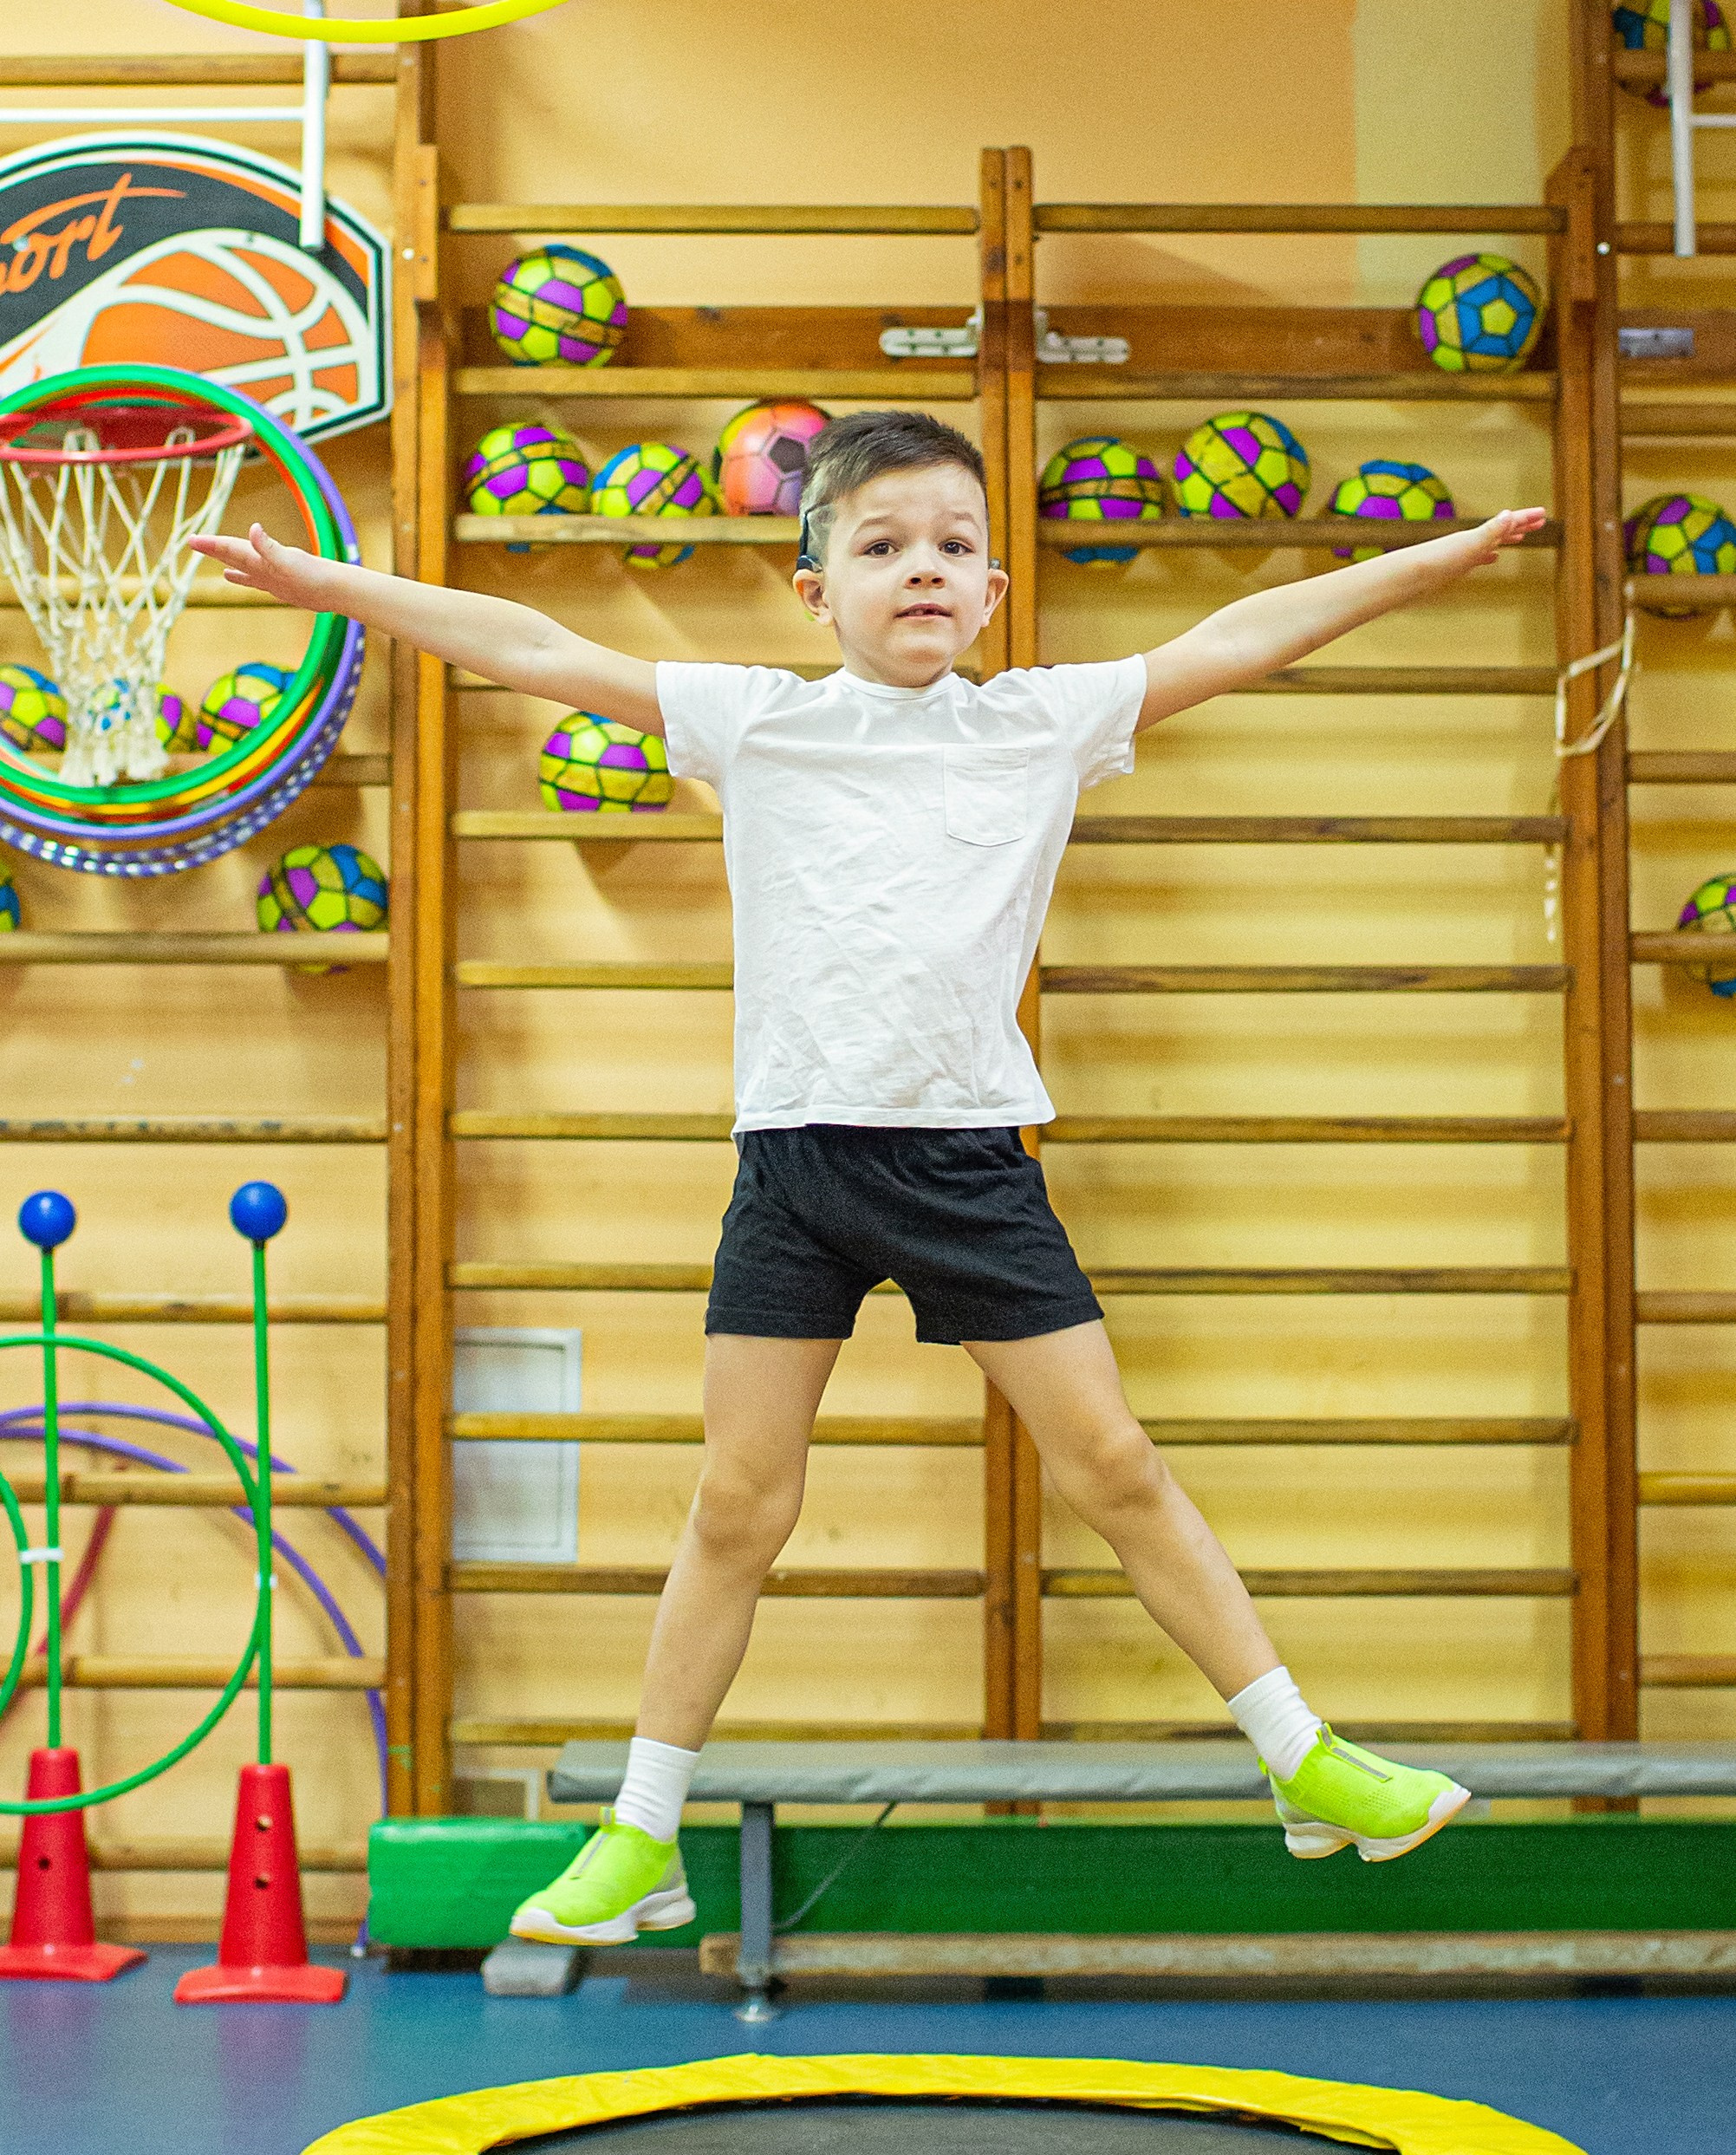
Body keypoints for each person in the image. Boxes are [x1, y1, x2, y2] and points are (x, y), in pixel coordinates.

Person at [194, 413, 1546, 1949]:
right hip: (795, 1164)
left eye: (955, 547)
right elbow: (526, 640)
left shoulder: (1041, 721)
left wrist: (1437, 560)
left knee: (1115, 1468)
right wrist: (327, 581)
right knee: (737, 1507)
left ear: (992, 594)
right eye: (882, 543)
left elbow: (1243, 632)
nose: (923, 568)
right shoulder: (755, 719)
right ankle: (646, 1834)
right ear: (813, 586)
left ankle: (1301, 1755)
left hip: (967, 1159)